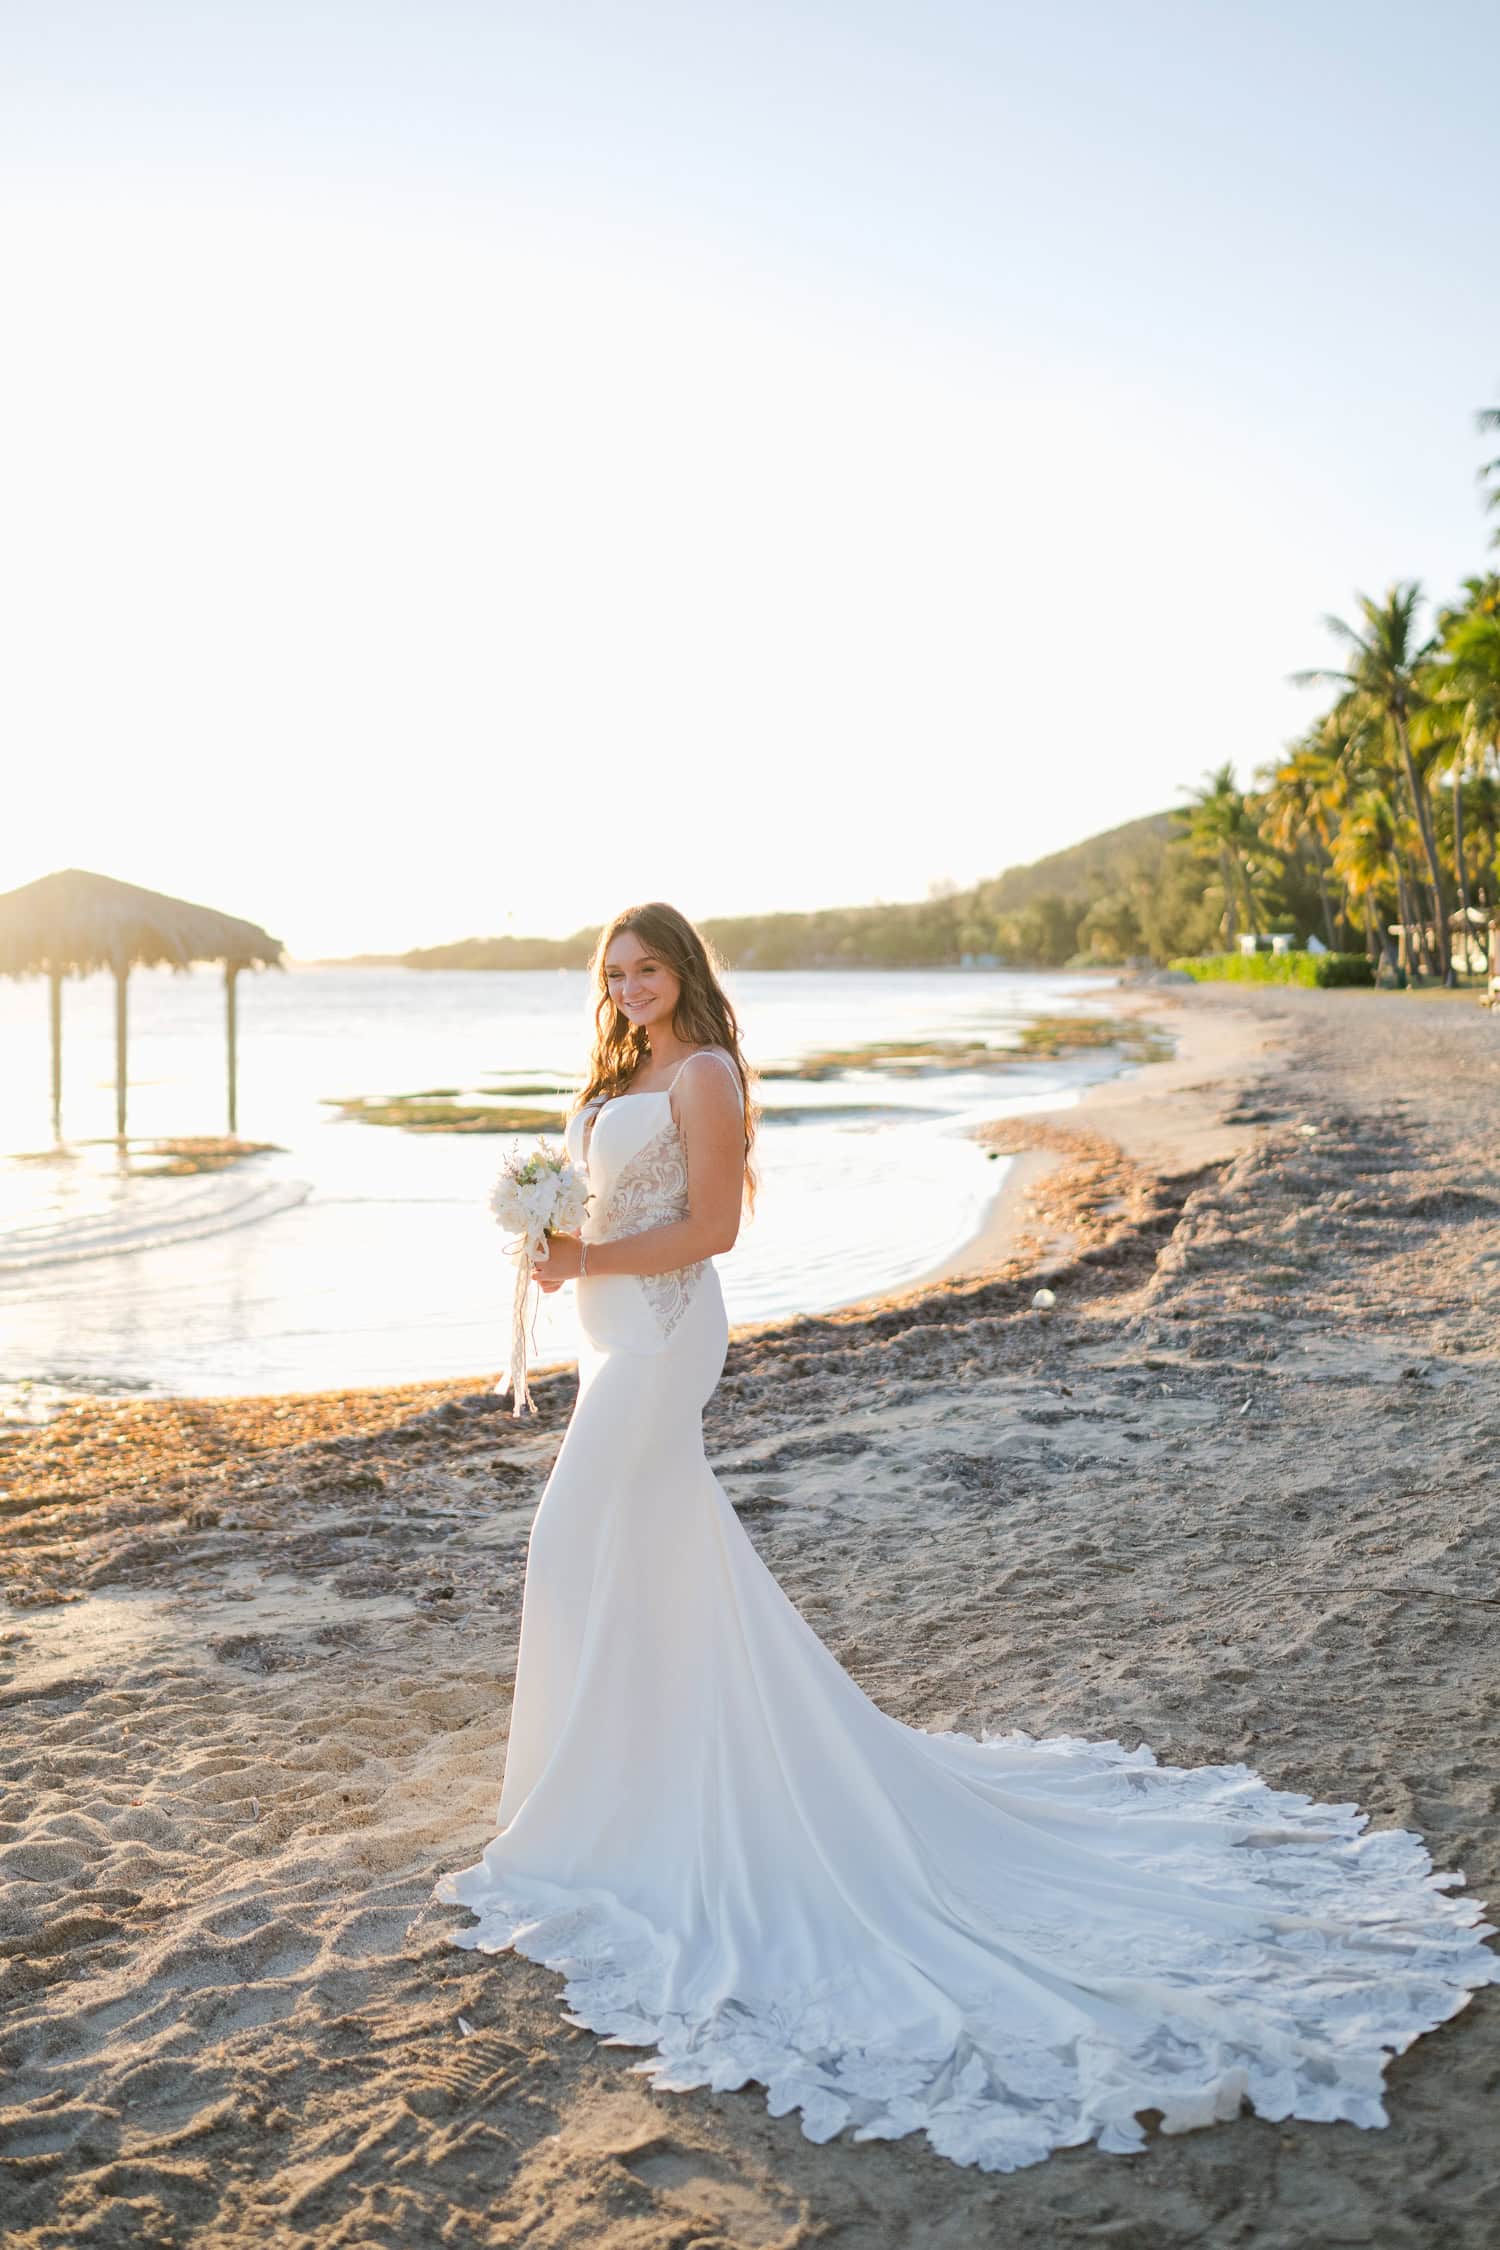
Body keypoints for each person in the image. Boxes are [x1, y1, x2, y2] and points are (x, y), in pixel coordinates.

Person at [433, 900, 1500, 2175]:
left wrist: (586, 1249)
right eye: (614, 972)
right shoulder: (615, 1072)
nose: (631, 986)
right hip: (616, 1324)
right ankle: (629, 1780)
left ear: (684, 974)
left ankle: (589, 1801)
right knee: (656, 1561)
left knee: (570, 1542)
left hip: (663, 1336)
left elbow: (712, 1231)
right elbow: (611, 1200)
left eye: (648, 967)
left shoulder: (707, 1073)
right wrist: (552, 1244)